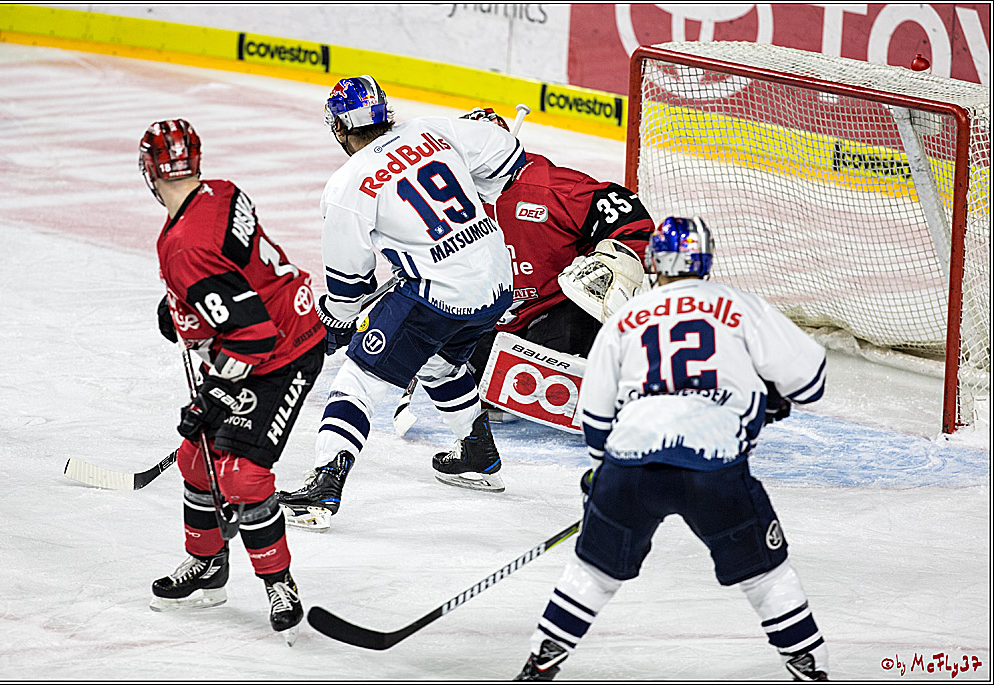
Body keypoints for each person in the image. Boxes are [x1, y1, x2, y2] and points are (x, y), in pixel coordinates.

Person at [514, 217, 830, 681]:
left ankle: (540, 665)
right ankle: (811, 668)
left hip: (630, 467)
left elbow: (596, 416)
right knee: (766, 578)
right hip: (715, 469)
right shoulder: (737, 306)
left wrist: (602, 476)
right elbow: (813, 380)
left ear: (653, 261)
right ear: (706, 260)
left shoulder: (626, 318)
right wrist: (766, 394)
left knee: (592, 574)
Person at [277, 76, 526, 529]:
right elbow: (511, 157)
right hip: (496, 279)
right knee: (439, 364)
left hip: (439, 292)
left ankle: (324, 486)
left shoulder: (347, 184)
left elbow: (350, 286)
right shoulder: (431, 129)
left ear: (339, 128)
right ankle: (476, 452)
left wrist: (336, 319)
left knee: (357, 376)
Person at [140, 119, 327, 642]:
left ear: (148, 170)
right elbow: (238, 270)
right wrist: (182, 304)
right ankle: (207, 564)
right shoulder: (222, 193)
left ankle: (278, 583)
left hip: (285, 350)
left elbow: (253, 339)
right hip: (259, 332)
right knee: (196, 459)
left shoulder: (185, 250)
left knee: (242, 475)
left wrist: (211, 396)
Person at [458, 107, 656, 391]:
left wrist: (610, 264)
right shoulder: (445, 204)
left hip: (556, 311)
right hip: (490, 322)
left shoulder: (551, 187)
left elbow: (630, 222)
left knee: (576, 333)